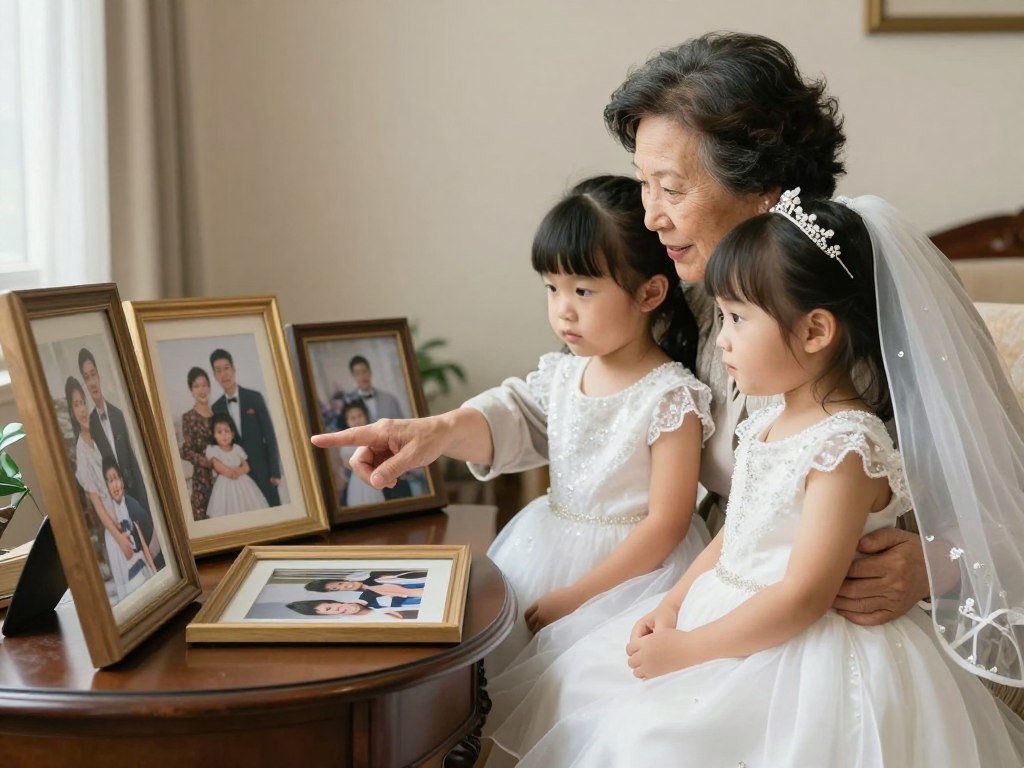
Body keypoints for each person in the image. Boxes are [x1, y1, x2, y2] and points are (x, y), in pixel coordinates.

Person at [312, 31, 936, 635]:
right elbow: (563, 405)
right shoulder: (676, 292)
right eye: (643, 184)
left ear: (763, 193)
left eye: (671, 188)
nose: (650, 216)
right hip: (709, 587)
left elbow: (992, 490)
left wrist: (933, 569)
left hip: (826, 622)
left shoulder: (859, 312)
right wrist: (438, 431)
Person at [486, 195, 1024, 766]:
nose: (721, 339)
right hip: (727, 613)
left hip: (800, 650)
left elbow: (803, 596)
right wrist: (672, 603)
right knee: (579, 679)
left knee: (651, 744)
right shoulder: (770, 417)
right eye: (721, 317)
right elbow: (733, 533)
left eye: (738, 319)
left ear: (815, 330)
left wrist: (689, 649)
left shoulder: (844, 446)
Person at [67, 376, 141, 604]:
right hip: (115, 530)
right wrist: (119, 538)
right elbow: (97, 504)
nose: (81, 409)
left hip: (127, 515)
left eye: (83, 402)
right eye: (76, 404)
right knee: (133, 593)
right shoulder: (82, 451)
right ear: (71, 410)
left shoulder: (99, 436)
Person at [78, 347, 150, 517]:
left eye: (93, 374)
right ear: (84, 383)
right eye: (87, 377)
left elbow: (132, 460)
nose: (92, 381)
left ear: (99, 376)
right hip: (114, 506)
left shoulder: (118, 415)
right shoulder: (91, 426)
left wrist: (145, 505)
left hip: (136, 498)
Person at [210, 348, 282, 506]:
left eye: (227, 368)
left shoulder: (254, 397)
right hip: (238, 476)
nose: (224, 374)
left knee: (274, 509)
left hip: (263, 470)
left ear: (234, 369)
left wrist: (275, 471)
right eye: (219, 370)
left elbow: (269, 435)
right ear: (215, 376)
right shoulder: (216, 408)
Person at [102, 456, 158, 590]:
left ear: (121, 481)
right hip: (128, 577)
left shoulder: (133, 506)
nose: (115, 485)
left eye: (116, 478)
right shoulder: (109, 518)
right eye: (110, 481)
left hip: (144, 567)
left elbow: (149, 540)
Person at [204, 412, 269, 518]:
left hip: (242, 482)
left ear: (233, 433)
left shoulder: (237, 448)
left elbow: (246, 467)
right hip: (225, 485)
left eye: (227, 431)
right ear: (213, 435)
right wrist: (229, 472)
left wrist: (237, 472)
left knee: (249, 507)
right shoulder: (213, 450)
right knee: (228, 510)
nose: (224, 435)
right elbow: (217, 466)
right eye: (219, 432)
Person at [179, 366, 215, 521]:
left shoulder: (219, 414)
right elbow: (185, 450)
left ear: (209, 387)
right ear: (191, 390)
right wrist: (207, 462)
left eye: (204, 385)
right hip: (202, 483)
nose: (201, 390)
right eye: (196, 386)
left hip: (224, 479)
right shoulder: (188, 417)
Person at [337, 400, 386, 507]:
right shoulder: (346, 442)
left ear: (366, 416)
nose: (357, 420)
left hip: (374, 476)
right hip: (357, 481)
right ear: (347, 421)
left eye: (360, 416)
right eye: (352, 418)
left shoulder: (374, 437)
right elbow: (347, 463)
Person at [343, 356, 406, 421]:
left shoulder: (389, 400)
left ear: (370, 372)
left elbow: (401, 425)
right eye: (357, 373)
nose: (362, 376)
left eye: (364, 371)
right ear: (353, 376)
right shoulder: (348, 401)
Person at [285, 599, 419, 620]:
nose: (336, 609)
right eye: (329, 611)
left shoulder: (376, 602)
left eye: (330, 605)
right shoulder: (360, 622)